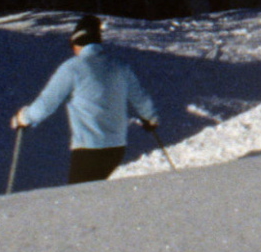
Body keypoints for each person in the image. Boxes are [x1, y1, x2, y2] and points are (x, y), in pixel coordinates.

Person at [13, 14, 159, 184]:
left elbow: (47, 103)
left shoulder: (73, 68)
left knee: (80, 204)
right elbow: (140, 98)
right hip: (117, 148)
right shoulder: (119, 67)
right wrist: (150, 118)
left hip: (88, 150)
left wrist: (24, 117)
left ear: (78, 42)